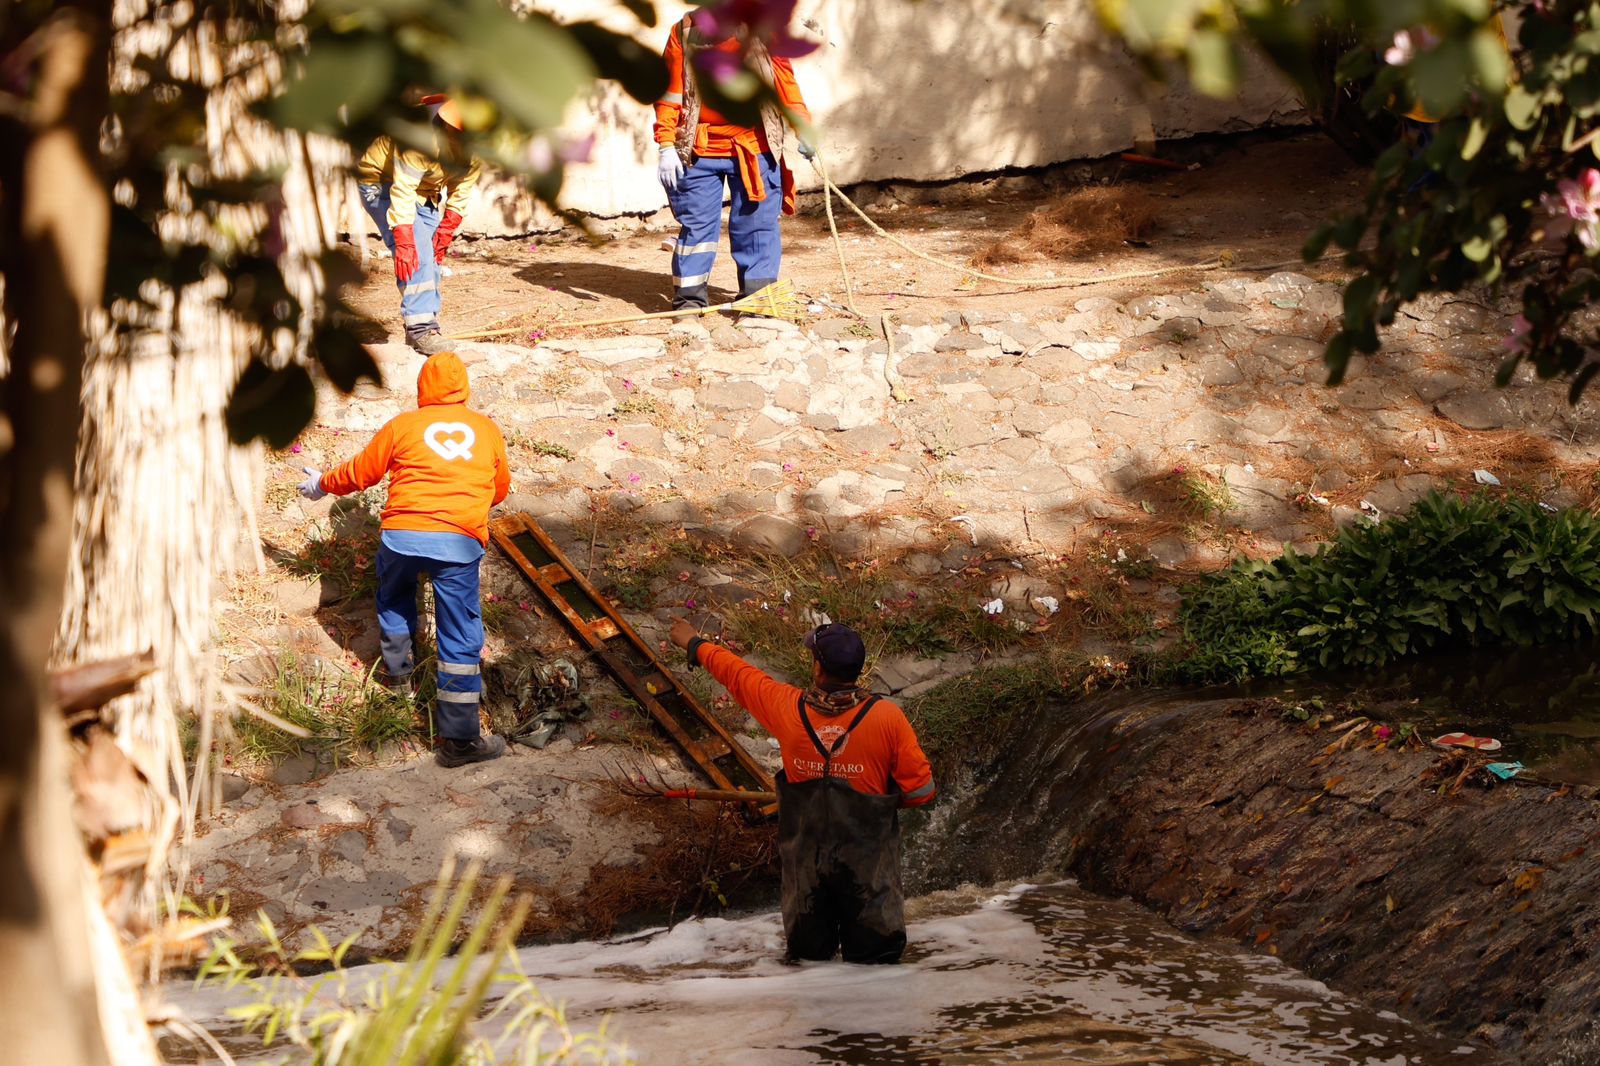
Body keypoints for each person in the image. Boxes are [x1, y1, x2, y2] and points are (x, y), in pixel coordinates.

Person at [669, 618, 936, 963]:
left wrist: (694, 644)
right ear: (859, 669)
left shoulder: (787, 708)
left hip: (806, 873)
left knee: (809, 962)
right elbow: (921, 792)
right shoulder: (887, 718)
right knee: (877, 963)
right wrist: (875, 802)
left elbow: (737, 674)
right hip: (867, 872)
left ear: (818, 668)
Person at [298, 352, 510, 768]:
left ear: (422, 390)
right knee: (459, 632)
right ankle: (459, 741)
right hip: (459, 541)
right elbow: (499, 489)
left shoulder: (403, 426)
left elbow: (362, 472)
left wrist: (322, 483)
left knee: (394, 598)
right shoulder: (486, 430)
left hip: (403, 537)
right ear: (464, 389)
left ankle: (398, 682)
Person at [653, 12, 814, 310]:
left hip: (755, 147)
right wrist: (665, 144)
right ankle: (689, 301)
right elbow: (670, 95)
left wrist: (802, 126)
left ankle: (758, 303)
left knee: (757, 226)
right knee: (697, 228)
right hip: (699, 150)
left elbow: (785, 85)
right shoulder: (684, 32)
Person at [357, 94, 482, 354]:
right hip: (382, 184)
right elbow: (402, 189)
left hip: (425, 192)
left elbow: (463, 185)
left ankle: (426, 324)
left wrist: (447, 228)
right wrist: (403, 238)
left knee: (432, 258)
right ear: (448, 124)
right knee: (416, 253)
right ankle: (420, 330)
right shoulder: (419, 136)